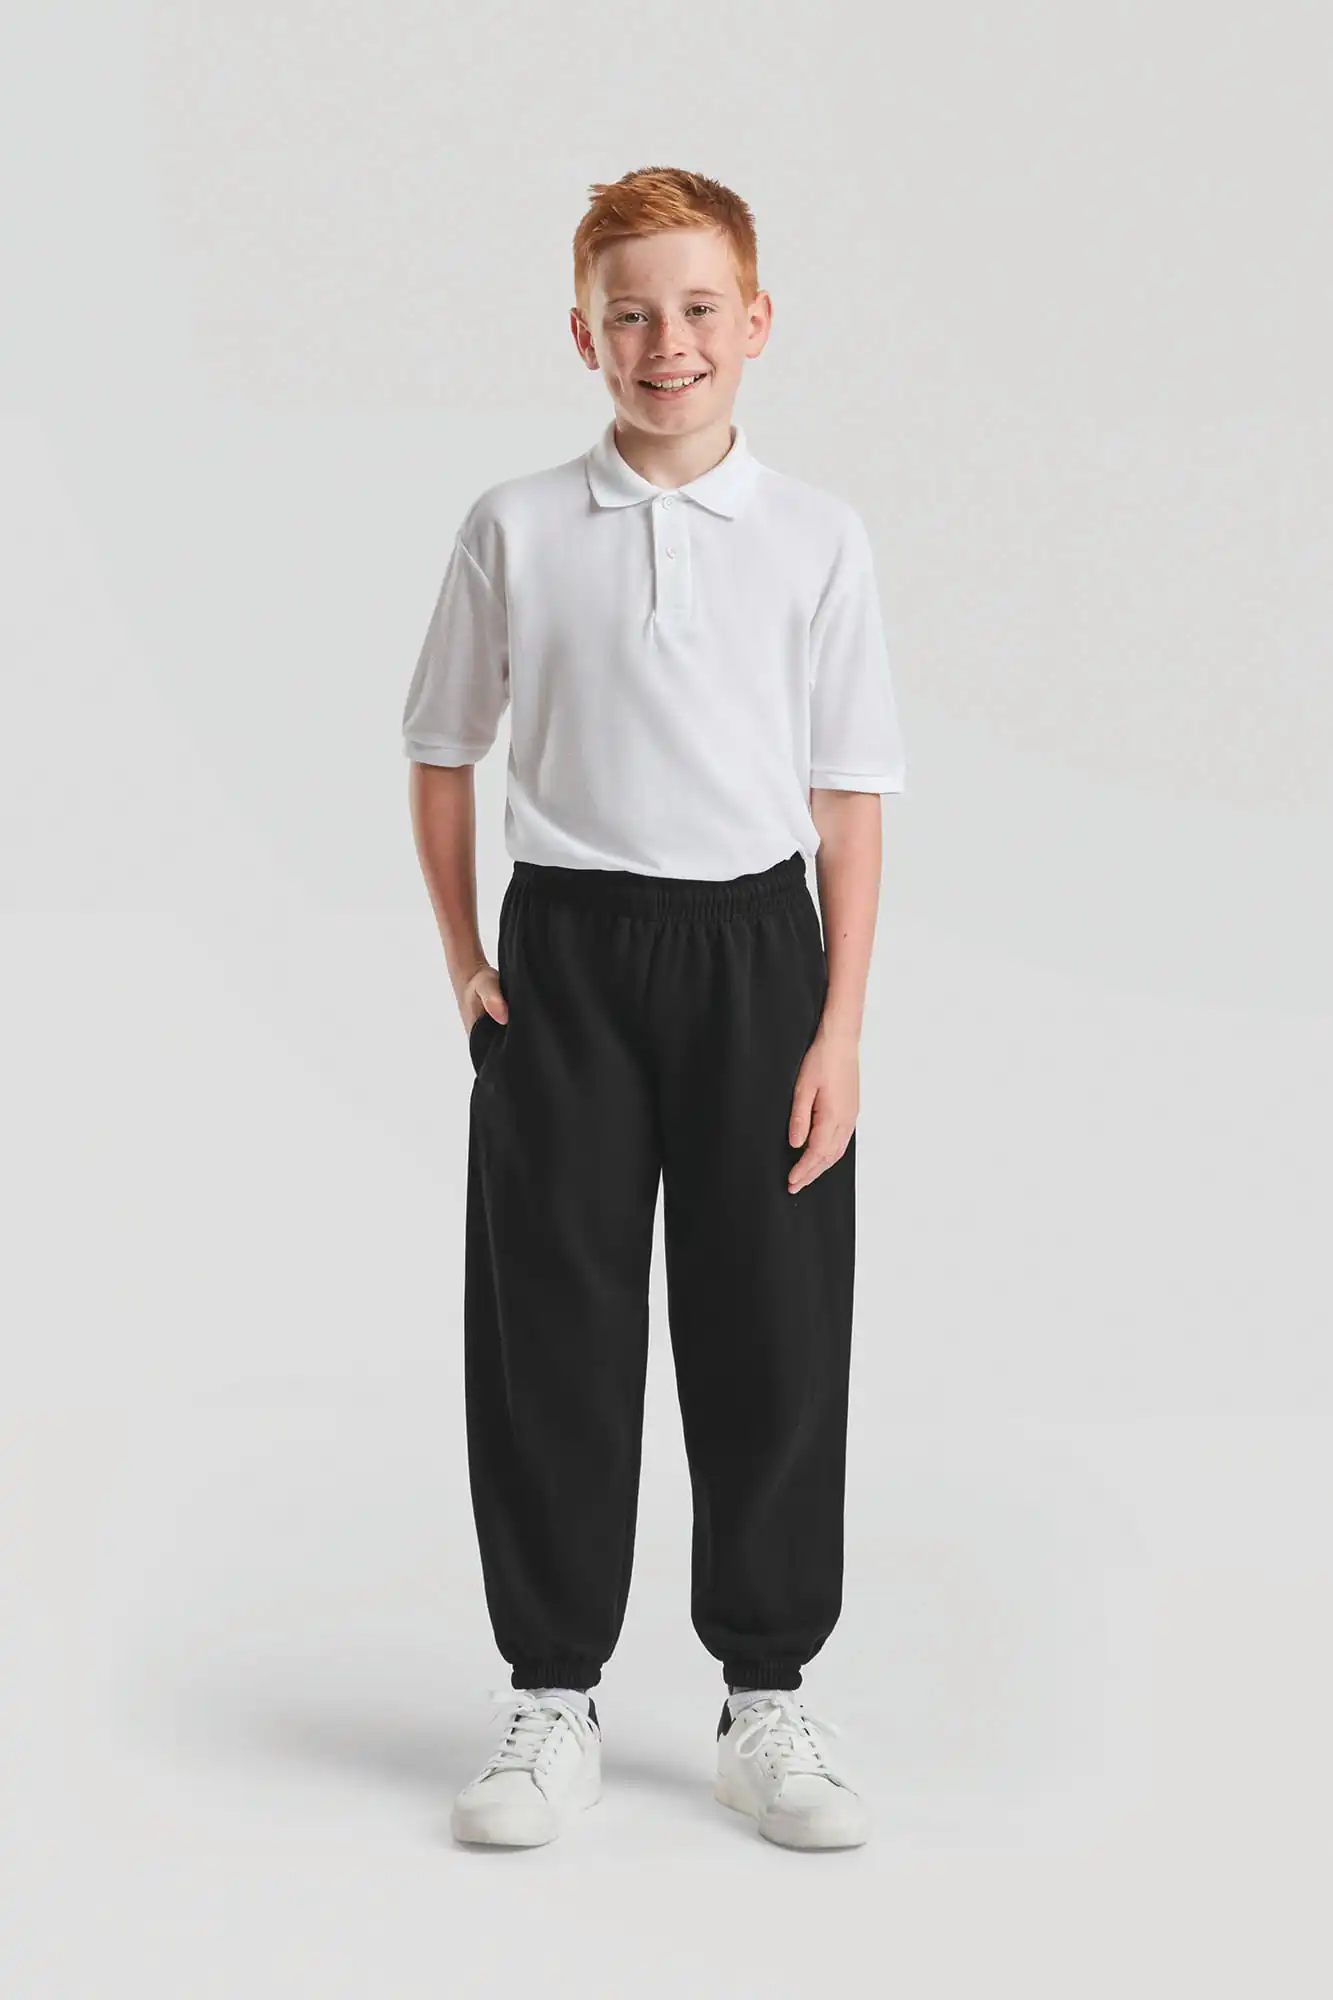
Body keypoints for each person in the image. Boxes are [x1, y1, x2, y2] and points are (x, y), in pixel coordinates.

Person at [402, 166, 906, 1851]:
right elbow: (442, 748)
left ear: (755, 323)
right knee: (554, 1322)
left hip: (758, 953)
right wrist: (466, 958)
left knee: (772, 1321)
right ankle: (552, 1692)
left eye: (697, 310)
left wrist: (839, 1026)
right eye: (630, 314)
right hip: (569, 955)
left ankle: (769, 1696)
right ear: (583, 336)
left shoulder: (818, 537)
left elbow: (851, 798)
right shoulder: (516, 527)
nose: (666, 342)